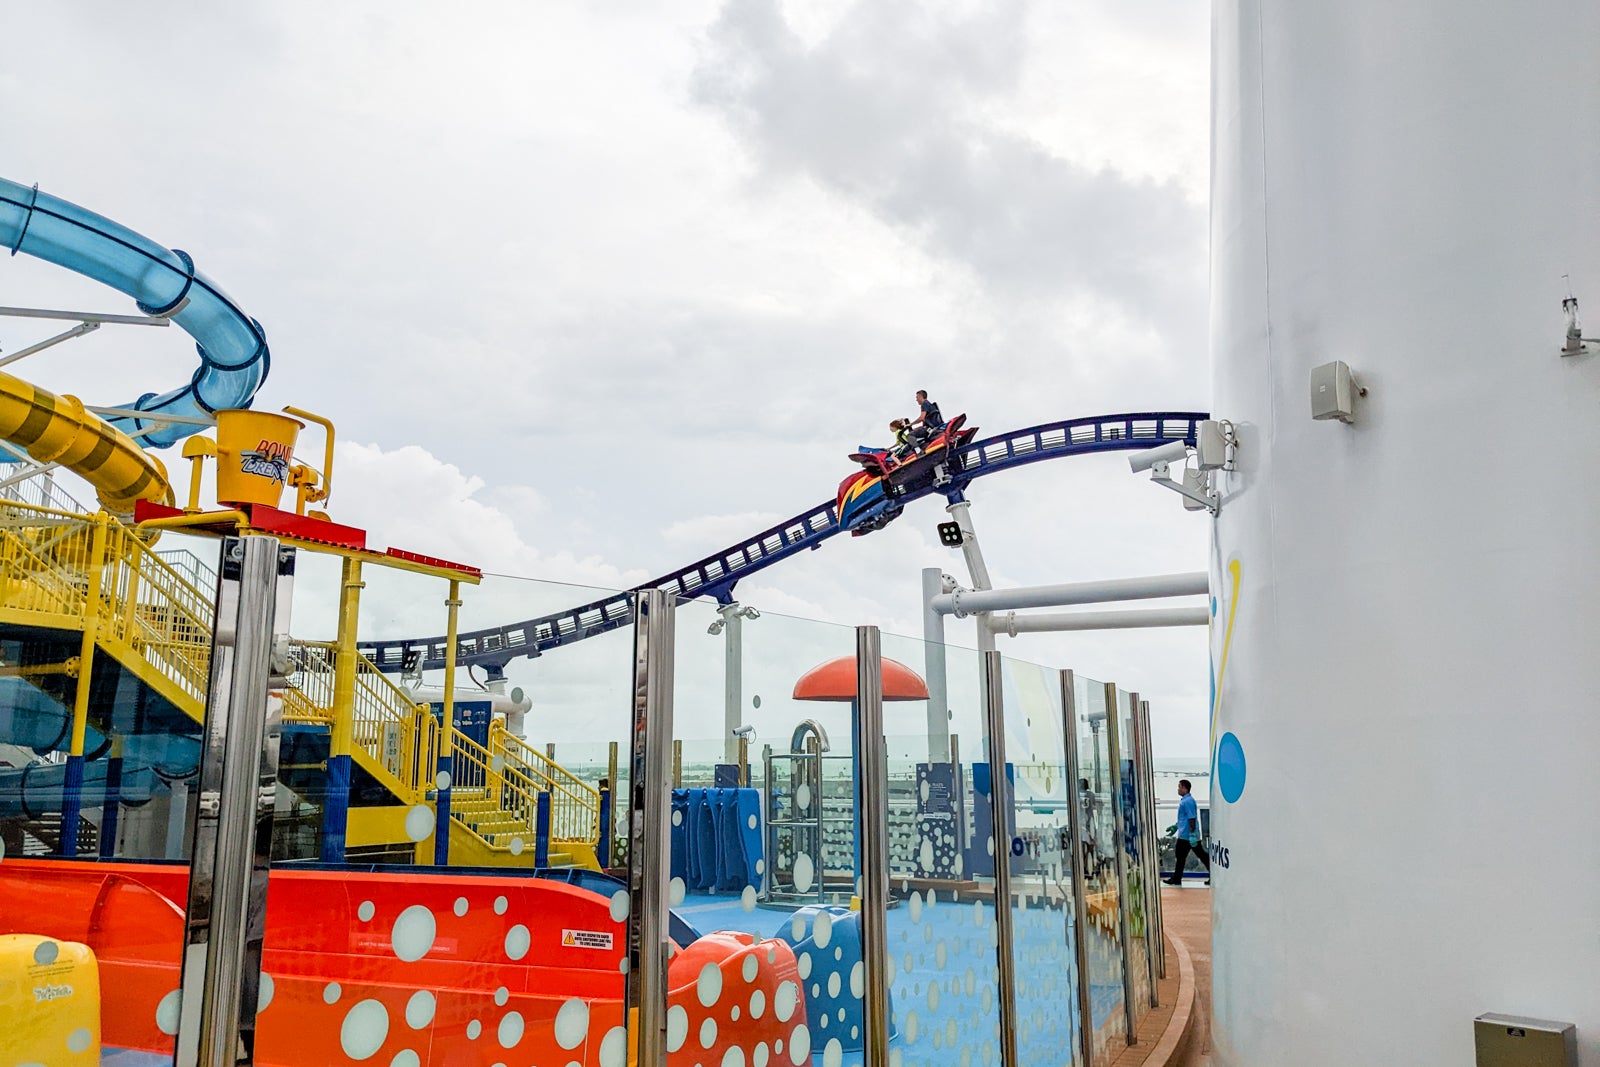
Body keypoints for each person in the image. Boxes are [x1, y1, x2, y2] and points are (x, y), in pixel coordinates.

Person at [1165, 778, 1210, 886]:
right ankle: (1176, 878)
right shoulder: (1185, 800)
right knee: (1183, 856)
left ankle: (1176, 878)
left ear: (1185, 788)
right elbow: (1184, 818)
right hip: (1185, 834)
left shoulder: (1188, 801)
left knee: (1198, 856)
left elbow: (1191, 818)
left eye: (1179, 787)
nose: (1178, 789)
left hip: (1187, 836)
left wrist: (1192, 835)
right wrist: (1175, 827)